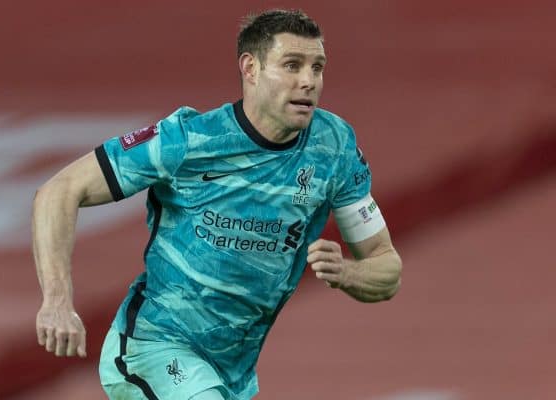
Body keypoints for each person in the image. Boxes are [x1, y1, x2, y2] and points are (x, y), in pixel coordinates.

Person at [33, 9, 402, 400]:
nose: (309, 81)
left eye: (317, 67)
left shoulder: (334, 147)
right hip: (154, 346)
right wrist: (56, 300)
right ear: (251, 68)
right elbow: (58, 191)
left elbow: (385, 266)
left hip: (232, 373)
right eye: (292, 65)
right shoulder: (187, 141)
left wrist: (346, 273)